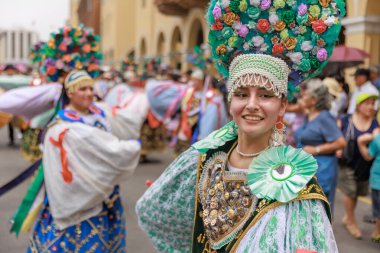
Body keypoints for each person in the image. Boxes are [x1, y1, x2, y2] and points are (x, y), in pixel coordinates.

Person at [136, 0, 345, 252]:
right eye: (242, 94)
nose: (252, 105)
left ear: (282, 105)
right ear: (230, 99)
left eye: (266, 95)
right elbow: (157, 216)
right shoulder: (203, 160)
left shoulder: (297, 186)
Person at [12, 70, 144, 252]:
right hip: (74, 193)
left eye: (91, 88)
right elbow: (109, 149)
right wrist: (132, 147)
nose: (89, 93)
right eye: (82, 89)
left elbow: (125, 124)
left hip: (103, 191)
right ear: (70, 92)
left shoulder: (99, 112)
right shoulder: (62, 126)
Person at [296, 79, 346, 211]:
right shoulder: (310, 115)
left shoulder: (324, 117)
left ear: (314, 100)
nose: (302, 97)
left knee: (320, 210)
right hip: (309, 170)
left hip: (323, 171)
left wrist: (316, 149)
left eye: (305, 95)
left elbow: (341, 142)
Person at [338, 93, 380, 239]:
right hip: (347, 162)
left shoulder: (374, 122)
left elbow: (377, 138)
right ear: (358, 105)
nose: (370, 107)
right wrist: (338, 148)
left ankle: (347, 217)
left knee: (357, 193)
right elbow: (337, 135)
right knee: (350, 192)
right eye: (367, 103)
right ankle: (351, 221)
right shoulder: (346, 120)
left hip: (364, 165)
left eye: (372, 104)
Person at [357, 127, 380, 243]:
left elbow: (368, 156)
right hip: (377, 181)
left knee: (378, 208)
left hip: (377, 181)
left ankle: (376, 231)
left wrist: (361, 143)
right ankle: (376, 231)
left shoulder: (377, 139)